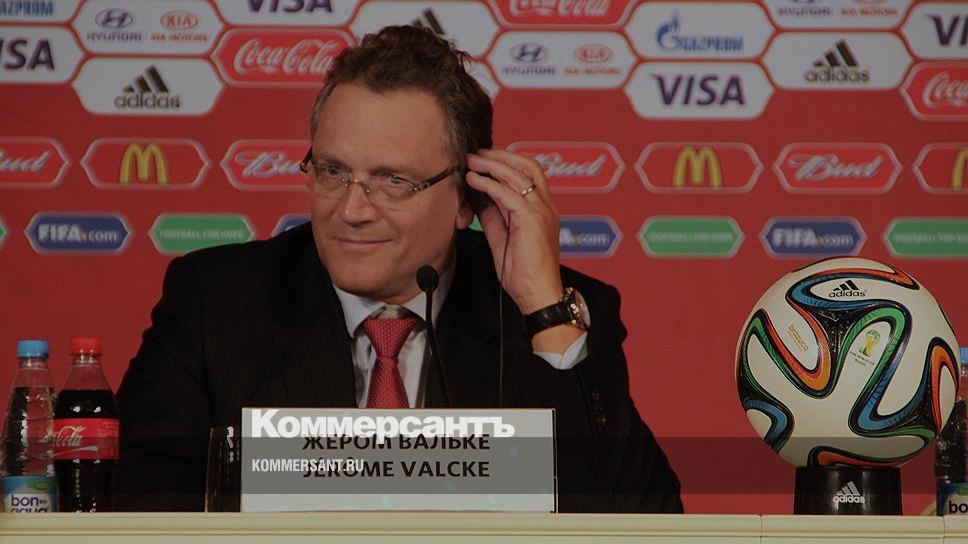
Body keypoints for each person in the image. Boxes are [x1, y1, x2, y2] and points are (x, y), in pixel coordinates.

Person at [114, 25, 682, 513]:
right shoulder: (216, 302)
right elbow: (143, 508)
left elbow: (641, 518)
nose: (352, 210)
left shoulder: (554, 311)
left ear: (467, 197)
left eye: (392, 181)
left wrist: (543, 309)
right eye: (332, 172)